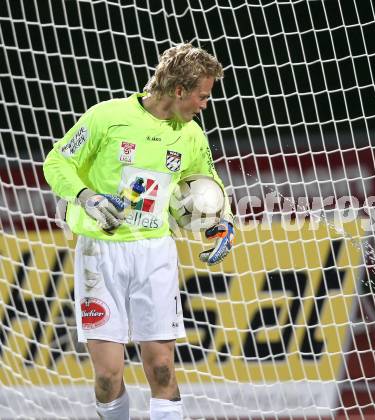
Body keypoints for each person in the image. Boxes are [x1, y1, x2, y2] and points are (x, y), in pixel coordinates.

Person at [43, 43, 234, 420]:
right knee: (107, 375)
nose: (204, 104)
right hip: (100, 254)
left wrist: (223, 222)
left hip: (155, 255)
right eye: (202, 95)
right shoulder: (107, 117)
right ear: (179, 90)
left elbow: (208, 183)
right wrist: (87, 197)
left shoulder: (192, 135)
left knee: (162, 367)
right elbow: (56, 161)